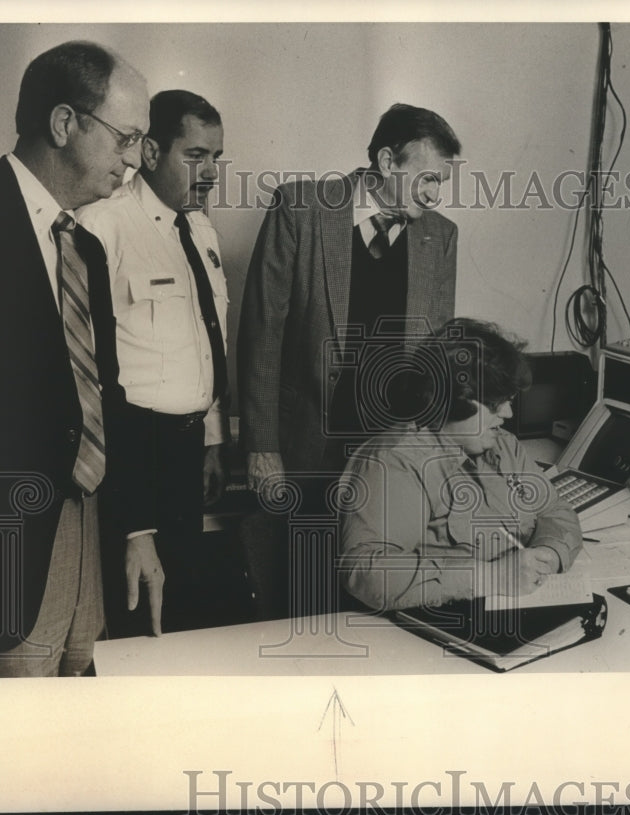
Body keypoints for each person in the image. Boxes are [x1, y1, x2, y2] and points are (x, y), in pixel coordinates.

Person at [0, 41, 150, 676]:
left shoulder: (87, 250)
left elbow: (101, 394)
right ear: (63, 124)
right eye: (125, 138)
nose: (133, 161)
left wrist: (137, 527)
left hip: (83, 540)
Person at [236, 103, 461, 617]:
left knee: (377, 603)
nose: (435, 194)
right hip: (306, 448)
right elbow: (261, 335)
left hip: (390, 456)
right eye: (427, 178)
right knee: (303, 598)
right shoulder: (302, 210)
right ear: (387, 161)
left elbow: (436, 356)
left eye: (441, 183)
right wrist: (261, 446)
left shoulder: (440, 237)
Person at [77, 90, 231, 635]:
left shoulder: (200, 230)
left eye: (216, 156)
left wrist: (211, 439)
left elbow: (206, 342)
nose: (210, 170)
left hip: (188, 449)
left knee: (182, 602)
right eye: (195, 155)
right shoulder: (102, 226)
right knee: (137, 609)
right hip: (134, 447)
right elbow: (90, 371)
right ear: (149, 152)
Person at [338, 318, 584, 611]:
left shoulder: (504, 445)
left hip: (516, 605)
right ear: (451, 400)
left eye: (508, 399)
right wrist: (491, 578)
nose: (507, 412)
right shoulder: (395, 461)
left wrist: (549, 553)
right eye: (494, 403)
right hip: (441, 622)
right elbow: (367, 573)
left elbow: (555, 510)